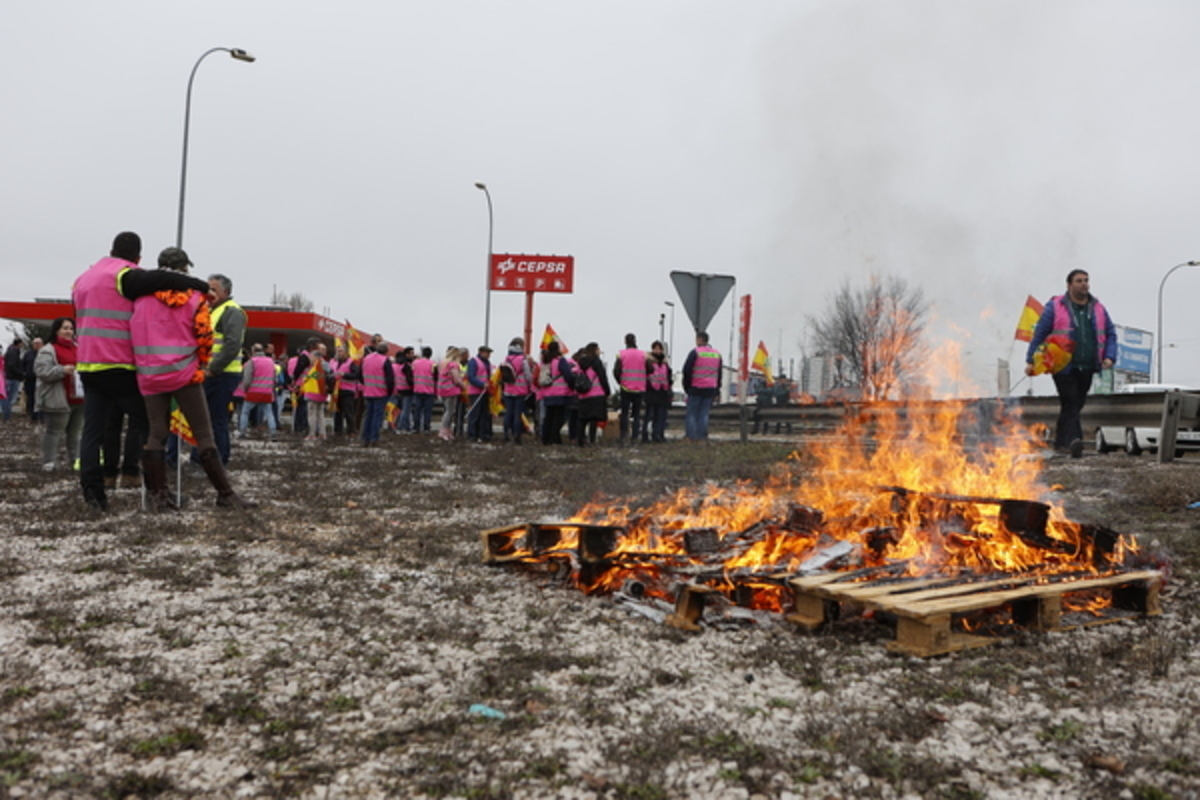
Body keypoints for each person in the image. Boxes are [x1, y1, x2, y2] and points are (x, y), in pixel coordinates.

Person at [72, 231, 209, 512]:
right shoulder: (124, 275)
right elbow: (161, 278)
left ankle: (94, 496)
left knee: (93, 433)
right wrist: (198, 284)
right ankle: (158, 493)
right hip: (121, 365)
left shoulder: (82, 279)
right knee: (151, 429)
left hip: (88, 365)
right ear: (137, 257)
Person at [131, 246, 255, 510]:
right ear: (184, 269)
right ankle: (225, 494)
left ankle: (158, 496)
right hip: (185, 375)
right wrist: (201, 365)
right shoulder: (194, 299)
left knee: (157, 433)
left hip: (150, 376)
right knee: (203, 433)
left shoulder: (140, 300)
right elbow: (204, 338)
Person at [1025, 268, 1118, 458]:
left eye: (1086, 280)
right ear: (1069, 285)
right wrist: (1030, 360)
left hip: (1088, 365)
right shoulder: (1056, 306)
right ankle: (1076, 440)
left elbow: (1110, 334)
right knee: (1071, 400)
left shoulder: (1098, 308)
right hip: (1062, 365)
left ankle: (1061, 442)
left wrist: (1109, 356)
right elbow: (1040, 334)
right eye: (1079, 281)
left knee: (1073, 405)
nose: (1084, 284)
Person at [204, 273, 247, 464]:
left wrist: (213, 368)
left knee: (217, 420)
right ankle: (208, 459)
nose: (209, 293)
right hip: (212, 373)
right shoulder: (212, 311)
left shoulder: (231, 311)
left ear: (226, 292)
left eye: (214, 289)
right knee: (208, 420)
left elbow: (232, 345)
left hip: (222, 374)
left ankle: (220, 460)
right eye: (208, 288)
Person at [34, 317, 84, 470]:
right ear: (57, 330)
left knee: (75, 433)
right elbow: (42, 372)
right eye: (65, 328)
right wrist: (62, 370)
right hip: (57, 399)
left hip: (79, 398)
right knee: (54, 431)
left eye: (71, 328)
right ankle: (49, 462)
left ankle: (76, 461)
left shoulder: (79, 347)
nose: (69, 331)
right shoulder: (48, 350)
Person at [682, 330, 722, 442]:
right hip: (710, 388)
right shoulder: (716, 354)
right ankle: (702, 436)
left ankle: (691, 435)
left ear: (699, 339)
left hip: (696, 387)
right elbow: (719, 373)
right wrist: (717, 389)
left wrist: (687, 386)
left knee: (692, 413)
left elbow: (687, 370)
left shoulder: (695, 352)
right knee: (704, 413)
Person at [239, 343, 278, 438]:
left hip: (253, 392)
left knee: (245, 412)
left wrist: (245, 389)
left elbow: (247, 378)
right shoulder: (270, 362)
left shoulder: (251, 362)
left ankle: (242, 432)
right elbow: (274, 378)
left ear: (253, 351)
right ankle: (273, 432)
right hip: (267, 392)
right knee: (269, 413)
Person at [575, 342, 611, 446]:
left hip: (583, 394)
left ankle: (580, 440)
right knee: (593, 419)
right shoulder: (596, 362)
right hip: (596, 393)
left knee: (582, 418)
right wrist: (607, 391)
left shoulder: (580, 362)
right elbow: (602, 377)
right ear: (595, 350)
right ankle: (592, 439)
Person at [613, 333, 647, 444]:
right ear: (635, 341)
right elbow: (650, 369)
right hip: (639, 387)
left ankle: (624, 435)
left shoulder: (621, 354)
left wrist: (620, 381)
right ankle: (635, 436)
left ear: (625, 342)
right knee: (637, 414)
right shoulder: (642, 355)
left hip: (625, 387)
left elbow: (616, 371)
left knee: (625, 412)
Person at [540, 341, 576, 445]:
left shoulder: (545, 361)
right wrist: (572, 386)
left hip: (547, 392)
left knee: (549, 416)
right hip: (560, 392)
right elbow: (567, 375)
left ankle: (545, 438)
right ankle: (555, 438)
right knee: (558, 417)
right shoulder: (560, 360)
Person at [360, 343, 395, 447]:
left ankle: (365, 438)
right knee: (377, 417)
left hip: (367, 391)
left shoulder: (366, 359)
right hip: (380, 392)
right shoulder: (385, 360)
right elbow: (390, 379)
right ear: (386, 351)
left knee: (368, 416)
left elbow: (360, 375)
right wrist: (389, 392)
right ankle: (374, 438)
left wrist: (365, 385)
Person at [501, 337, 533, 444]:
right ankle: (516, 435)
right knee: (518, 414)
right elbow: (528, 376)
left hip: (507, 390)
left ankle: (506, 433)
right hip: (520, 390)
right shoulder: (522, 360)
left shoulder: (507, 359)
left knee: (508, 413)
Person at [300, 343, 334, 441]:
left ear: (315, 357)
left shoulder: (317, 366)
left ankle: (312, 434)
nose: (310, 359)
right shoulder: (326, 365)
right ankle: (322, 433)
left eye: (311, 357)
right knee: (320, 414)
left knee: (312, 414)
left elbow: (314, 377)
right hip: (322, 393)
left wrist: (305, 378)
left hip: (313, 393)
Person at [642, 340, 673, 443]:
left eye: (659, 348)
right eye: (655, 348)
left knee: (661, 416)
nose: (657, 350)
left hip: (662, 392)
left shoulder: (665, 363)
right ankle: (645, 435)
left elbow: (668, 377)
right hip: (651, 391)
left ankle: (659, 435)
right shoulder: (648, 362)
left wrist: (668, 387)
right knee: (649, 415)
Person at [437, 346, 466, 441]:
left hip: (442, 390)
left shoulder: (442, 364)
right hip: (451, 390)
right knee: (450, 412)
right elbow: (456, 379)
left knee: (447, 411)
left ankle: (447, 431)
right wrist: (463, 386)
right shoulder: (453, 365)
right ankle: (444, 431)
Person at [466, 345, 494, 442]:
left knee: (484, 414)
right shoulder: (473, 362)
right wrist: (481, 384)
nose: (489, 355)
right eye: (487, 353)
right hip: (475, 392)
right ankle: (472, 434)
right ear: (481, 352)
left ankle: (483, 434)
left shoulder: (487, 363)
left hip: (484, 392)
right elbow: (470, 377)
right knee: (474, 414)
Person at [331, 344, 361, 436]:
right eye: (337, 351)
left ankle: (351, 430)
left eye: (341, 351)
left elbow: (356, 375)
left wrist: (344, 374)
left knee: (349, 412)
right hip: (336, 390)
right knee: (337, 412)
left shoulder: (351, 362)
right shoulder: (333, 362)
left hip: (348, 390)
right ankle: (337, 430)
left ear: (346, 352)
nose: (338, 353)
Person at [410, 346, 436, 433]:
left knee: (417, 410)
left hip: (417, 389)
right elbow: (435, 377)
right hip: (429, 390)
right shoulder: (433, 364)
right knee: (427, 411)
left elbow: (411, 373)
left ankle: (416, 427)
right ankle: (426, 427)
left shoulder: (415, 363)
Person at [3, 337, 23, 422]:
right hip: (13, 378)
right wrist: (21, 373)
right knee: (10, 398)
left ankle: (6, 414)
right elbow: (12, 365)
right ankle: (6, 415)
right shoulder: (14, 352)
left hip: (8, 376)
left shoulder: (9, 350)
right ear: (19, 344)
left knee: (6, 397)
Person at [22, 338, 41, 422]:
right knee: (31, 397)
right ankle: (32, 415)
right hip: (30, 379)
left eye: (38, 343)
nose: (36, 345)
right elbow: (22, 365)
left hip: (41, 379)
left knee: (40, 397)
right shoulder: (28, 354)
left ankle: (40, 415)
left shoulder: (44, 353)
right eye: (34, 343)